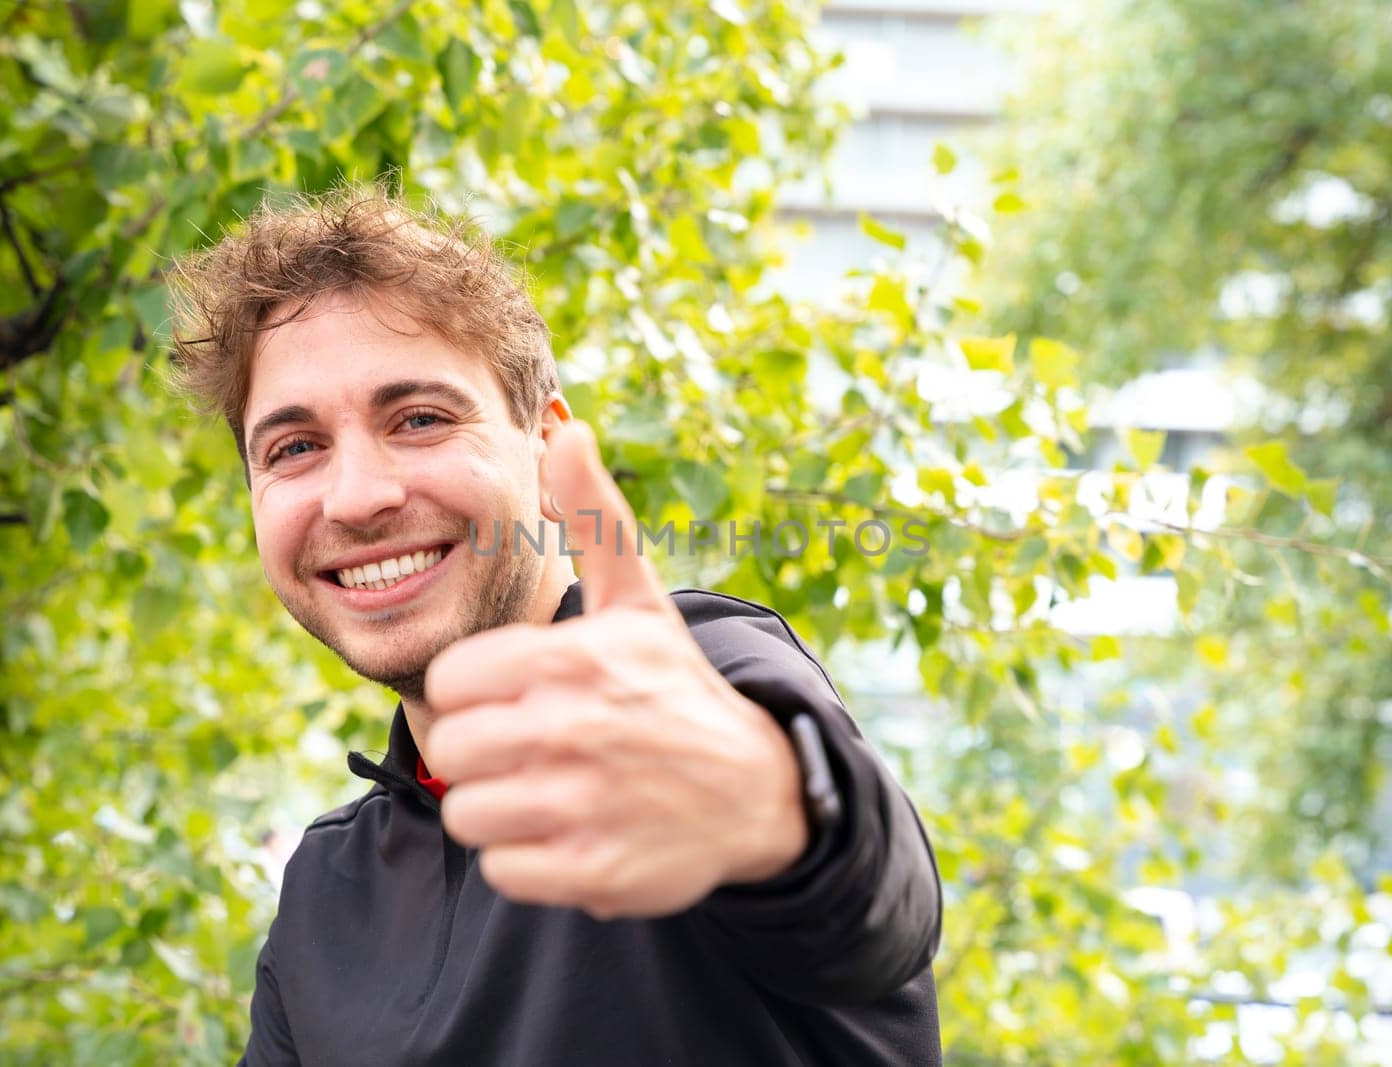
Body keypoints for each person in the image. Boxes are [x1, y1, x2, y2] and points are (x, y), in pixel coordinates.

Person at [168, 188, 943, 1066]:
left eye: (418, 418)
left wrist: (771, 811)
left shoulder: (699, 682)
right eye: (294, 447)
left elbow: (880, 902)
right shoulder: (324, 895)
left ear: (546, 446)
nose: (357, 496)